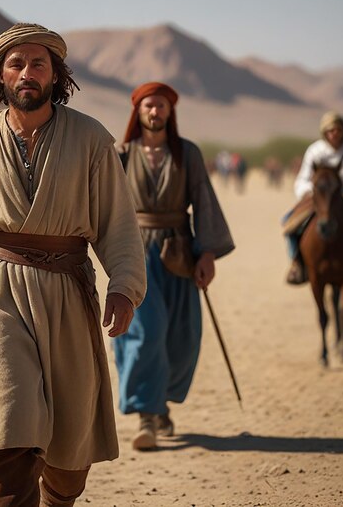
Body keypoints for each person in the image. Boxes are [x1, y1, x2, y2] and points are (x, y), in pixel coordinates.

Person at [0, 23, 147, 506]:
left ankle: (58, 498)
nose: (27, 72)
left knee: (69, 441)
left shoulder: (91, 139)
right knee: (9, 418)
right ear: (0, 76)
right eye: (16, 64)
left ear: (55, 74)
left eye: (38, 63)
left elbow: (117, 222)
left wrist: (123, 286)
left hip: (68, 289)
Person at [113, 82, 235, 450]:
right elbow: (106, 205)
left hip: (180, 251)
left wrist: (208, 254)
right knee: (146, 332)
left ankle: (160, 399)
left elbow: (204, 201)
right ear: (138, 111)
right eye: (149, 105)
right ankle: (146, 415)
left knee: (182, 337)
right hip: (135, 252)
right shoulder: (121, 154)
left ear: (170, 112)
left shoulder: (188, 153)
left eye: (162, 106)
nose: (155, 111)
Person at [283, 111, 343, 284]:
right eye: (330, 130)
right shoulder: (315, 151)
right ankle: (297, 263)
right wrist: (312, 191)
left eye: (338, 129)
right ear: (325, 132)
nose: (334, 133)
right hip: (319, 196)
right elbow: (303, 179)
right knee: (289, 223)